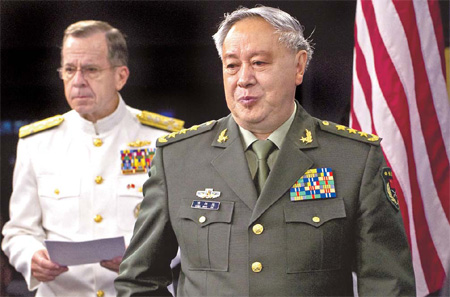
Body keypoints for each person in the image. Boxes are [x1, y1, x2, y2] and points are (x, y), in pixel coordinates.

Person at [115, 6, 416, 296]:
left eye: (259, 63)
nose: (243, 78)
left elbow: (388, 285)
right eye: (232, 65)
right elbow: (138, 281)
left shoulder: (354, 159)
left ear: (299, 66)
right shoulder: (178, 158)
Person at [2, 20, 184, 297]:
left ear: (121, 76)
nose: (78, 81)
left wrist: (144, 262)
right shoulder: (36, 142)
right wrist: (31, 258)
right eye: (69, 69)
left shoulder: (163, 139)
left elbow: (189, 229)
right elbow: (18, 231)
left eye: (90, 69)